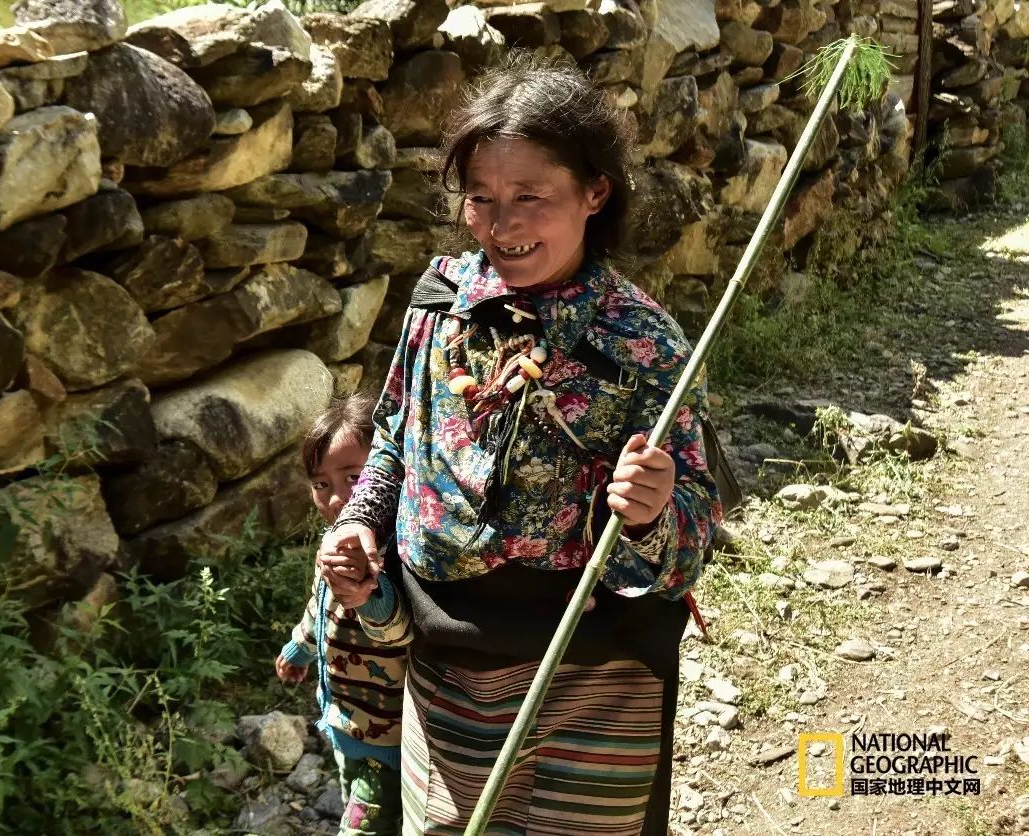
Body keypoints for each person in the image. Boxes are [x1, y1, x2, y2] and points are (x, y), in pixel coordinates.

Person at [319, 55, 723, 836]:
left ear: (595, 192)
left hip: (593, 680)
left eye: (530, 197)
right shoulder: (439, 305)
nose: (502, 227)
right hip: (445, 671)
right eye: (481, 199)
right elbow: (397, 438)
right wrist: (362, 518)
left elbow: (692, 539)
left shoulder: (645, 345)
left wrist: (650, 516)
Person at [276, 392, 409, 836]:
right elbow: (322, 608)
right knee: (358, 796)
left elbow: (397, 630)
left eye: (354, 478)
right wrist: (299, 647)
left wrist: (363, 590)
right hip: (346, 725)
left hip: (386, 739)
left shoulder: (395, 554)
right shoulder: (336, 543)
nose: (337, 499)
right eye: (321, 484)